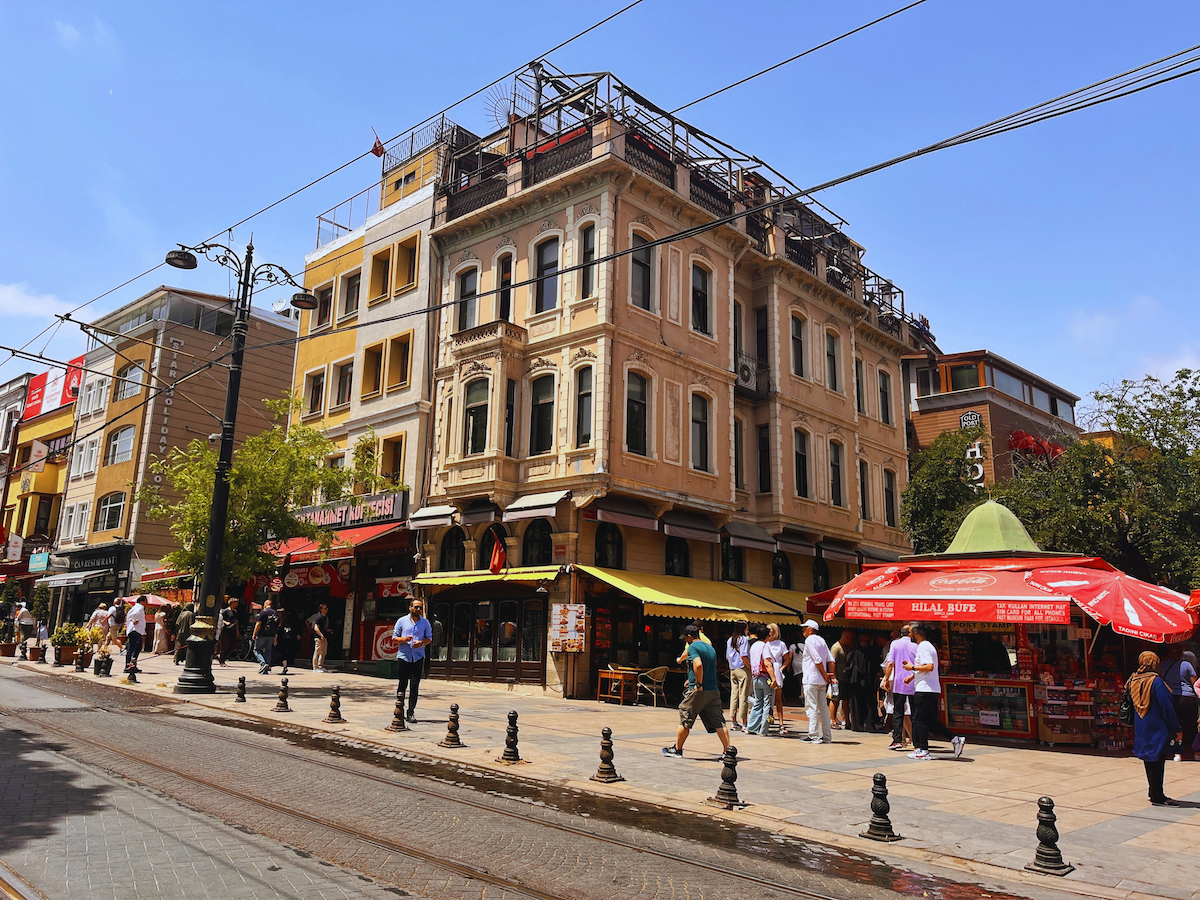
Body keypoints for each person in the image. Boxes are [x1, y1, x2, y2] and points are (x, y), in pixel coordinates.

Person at [663, 625, 729, 757]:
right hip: (713, 690)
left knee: (685, 718)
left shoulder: (693, 647)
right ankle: (727, 752)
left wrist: (698, 683)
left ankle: (678, 750)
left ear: (689, 636)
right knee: (719, 722)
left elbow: (698, 664)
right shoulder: (710, 647)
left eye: (685, 638)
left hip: (698, 691)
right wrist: (691, 678)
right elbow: (707, 667)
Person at [902, 623, 965, 761]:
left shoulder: (924, 646)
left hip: (925, 689)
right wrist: (913, 675)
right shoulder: (926, 646)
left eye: (911, 632)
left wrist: (912, 667)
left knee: (919, 719)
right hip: (929, 688)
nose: (909, 635)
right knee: (928, 719)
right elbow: (927, 667)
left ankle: (923, 749)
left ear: (916, 633)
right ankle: (954, 739)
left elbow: (929, 666)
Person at [1129, 650, 1183, 805]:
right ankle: (1157, 795)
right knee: (1158, 760)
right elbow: (1166, 707)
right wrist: (1176, 728)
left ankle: (1153, 790)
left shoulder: (1133, 680)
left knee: (1149, 760)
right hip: (1157, 726)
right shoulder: (1156, 682)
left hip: (1141, 725)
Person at [393, 597, 432, 722]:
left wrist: (421, 643)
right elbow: (394, 638)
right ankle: (399, 710)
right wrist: (404, 639)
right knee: (402, 684)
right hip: (404, 657)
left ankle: (411, 712)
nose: (418, 609)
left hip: (418, 657)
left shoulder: (425, 622)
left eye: (420, 607)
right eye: (416, 607)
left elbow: (429, 638)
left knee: (414, 686)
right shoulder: (401, 621)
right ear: (410, 608)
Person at [1160, 645, 1198, 762]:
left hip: (1171, 698)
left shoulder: (1162, 665)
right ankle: (1196, 752)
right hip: (1188, 698)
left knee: (1174, 725)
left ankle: (1177, 753)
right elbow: (1195, 683)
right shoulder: (1187, 665)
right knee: (1192, 725)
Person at [800, 620, 835, 744]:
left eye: (804, 629)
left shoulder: (809, 640)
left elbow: (817, 659)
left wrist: (825, 674)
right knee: (823, 708)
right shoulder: (822, 640)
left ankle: (813, 735)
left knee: (812, 707)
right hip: (821, 680)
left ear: (810, 629)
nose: (803, 631)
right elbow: (831, 660)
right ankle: (827, 736)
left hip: (812, 678)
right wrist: (830, 676)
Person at [883, 624, 917, 750]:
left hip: (898, 682)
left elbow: (890, 663)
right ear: (910, 633)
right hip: (913, 681)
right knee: (914, 712)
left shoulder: (895, 644)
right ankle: (916, 740)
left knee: (898, 712)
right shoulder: (916, 645)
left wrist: (886, 679)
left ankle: (897, 740)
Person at [745, 624, 777, 736]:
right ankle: (764, 729)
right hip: (764, 677)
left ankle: (751, 727)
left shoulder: (754, 646)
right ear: (767, 636)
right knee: (768, 703)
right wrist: (774, 679)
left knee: (758, 702)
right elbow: (767, 663)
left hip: (755, 677)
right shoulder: (765, 646)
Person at [725, 620, 750, 731]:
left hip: (733, 669)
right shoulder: (744, 640)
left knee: (734, 695)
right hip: (742, 668)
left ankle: (734, 722)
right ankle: (744, 722)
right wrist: (750, 668)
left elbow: (727, 657)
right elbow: (744, 655)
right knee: (743, 695)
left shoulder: (730, 640)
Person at [765, 623, 789, 734]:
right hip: (767, 671)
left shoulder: (781, 644)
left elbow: (787, 659)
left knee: (778, 698)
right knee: (766, 698)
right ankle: (766, 721)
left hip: (777, 670)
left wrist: (781, 669)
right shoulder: (764, 643)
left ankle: (781, 723)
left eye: (770, 629)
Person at [829, 629, 853, 729]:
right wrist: (833, 677)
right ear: (846, 637)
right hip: (837, 678)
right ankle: (833, 720)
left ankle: (847, 720)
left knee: (845, 700)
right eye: (850, 638)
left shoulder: (845, 647)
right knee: (835, 699)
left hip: (845, 678)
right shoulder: (836, 648)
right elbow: (832, 662)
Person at [252, 597, 280, 674]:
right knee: (268, 651)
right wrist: (275, 638)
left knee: (256, 650)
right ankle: (267, 667)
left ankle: (263, 663)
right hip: (272, 635)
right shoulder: (275, 613)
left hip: (262, 634)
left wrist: (254, 634)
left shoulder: (263, 612)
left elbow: (258, 624)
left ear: (266, 604)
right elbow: (277, 626)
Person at [124, 596, 147, 673]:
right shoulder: (140, 607)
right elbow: (135, 614)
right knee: (133, 649)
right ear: (142, 602)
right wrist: (135, 620)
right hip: (136, 630)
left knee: (136, 648)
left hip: (135, 631)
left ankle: (132, 665)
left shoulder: (134, 607)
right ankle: (129, 666)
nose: (146, 603)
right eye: (146, 601)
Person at [216, 598, 240, 666]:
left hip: (233, 630)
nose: (237, 604)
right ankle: (222, 661)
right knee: (224, 645)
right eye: (236, 603)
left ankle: (222, 656)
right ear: (231, 603)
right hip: (226, 630)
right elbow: (220, 618)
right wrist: (226, 622)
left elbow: (236, 621)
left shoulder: (235, 612)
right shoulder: (225, 611)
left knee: (233, 645)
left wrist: (237, 631)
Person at [274, 606, 294, 675]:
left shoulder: (279, 621)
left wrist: (275, 640)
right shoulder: (287, 620)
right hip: (287, 639)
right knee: (285, 653)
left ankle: (271, 666)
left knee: (277, 652)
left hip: (280, 639)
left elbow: (277, 631)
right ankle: (285, 666)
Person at [312, 603, 331, 672]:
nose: (327, 609)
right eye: (325, 608)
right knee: (317, 652)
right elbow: (316, 627)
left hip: (324, 637)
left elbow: (323, 627)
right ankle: (315, 667)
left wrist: (328, 630)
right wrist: (321, 635)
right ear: (321, 609)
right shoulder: (319, 617)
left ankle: (320, 666)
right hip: (319, 637)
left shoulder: (325, 617)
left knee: (323, 652)